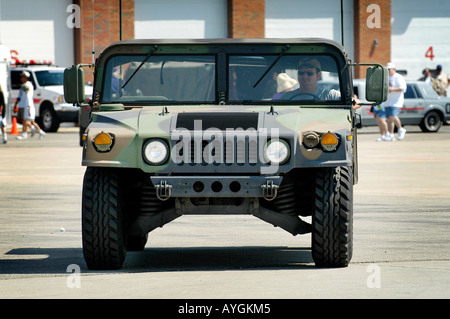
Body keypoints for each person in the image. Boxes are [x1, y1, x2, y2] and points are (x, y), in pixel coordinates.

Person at [13, 71, 46, 140]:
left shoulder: (27, 86)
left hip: (27, 106)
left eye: (22, 77)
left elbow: (28, 96)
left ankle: (24, 133)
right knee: (27, 121)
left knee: (25, 120)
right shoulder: (24, 85)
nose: (21, 78)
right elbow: (20, 96)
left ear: (26, 77)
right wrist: (16, 104)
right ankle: (38, 130)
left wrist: (28, 107)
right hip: (23, 105)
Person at [380, 63, 407, 141]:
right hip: (388, 101)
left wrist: (393, 89)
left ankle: (400, 128)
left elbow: (403, 88)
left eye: (389, 69)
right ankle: (391, 134)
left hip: (396, 101)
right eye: (387, 69)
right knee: (389, 119)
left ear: (394, 69)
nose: (388, 71)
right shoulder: (386, 77)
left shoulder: (398, 77)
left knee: (393, 115)